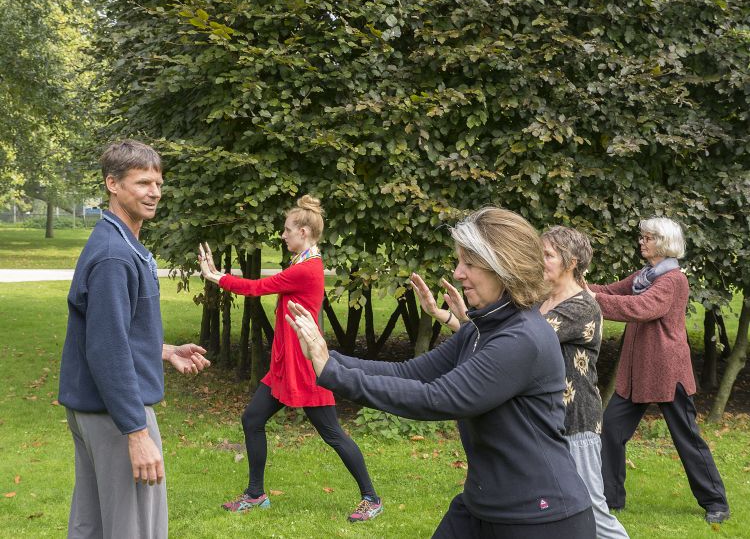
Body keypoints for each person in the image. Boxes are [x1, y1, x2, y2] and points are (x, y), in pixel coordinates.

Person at [286, 207, 596, 538]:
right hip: (481, 506)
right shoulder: (481, 329)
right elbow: (412, 373)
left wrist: (334, 374)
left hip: (540, 519)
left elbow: (438, 398)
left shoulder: (522, 338)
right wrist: (330, 359)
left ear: (505, 268)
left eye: (470, 263)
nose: (458, 273)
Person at [411, 226, 630, 538]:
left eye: (548, 255)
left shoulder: (581, 305)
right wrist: (454, 319)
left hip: (575, 422)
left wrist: (471, 321)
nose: (539, 262)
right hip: (541, 424)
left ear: (570, 263)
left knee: (596, 515)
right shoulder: (539, 302)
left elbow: (513, 345)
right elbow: (498, 344)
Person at [58, 140, 211, 539]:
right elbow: (106, 350)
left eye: (158, 182)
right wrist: (137, 434)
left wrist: (161, 350)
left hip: (98, 410)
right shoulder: (114, 255)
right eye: (143, 182)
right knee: (135, 528)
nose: (154, 192)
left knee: (92, 524)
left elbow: (110, 333)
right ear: (113, 184)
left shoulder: (121, 244)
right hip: (116, 416)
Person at [198, 195, 382, 522]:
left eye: (287, 230)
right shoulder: (302, 262)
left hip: (306, 368)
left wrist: (216, 277)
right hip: (285, 366)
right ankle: (256, 494)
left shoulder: (307, 269)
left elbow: (258, 287)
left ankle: (371, 498)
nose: (282, 236)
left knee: (333, 434)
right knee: (252, 419)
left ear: (304, 232)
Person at [586, 217, 730, 524]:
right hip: (636, 372)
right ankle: (612, 500)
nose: (642, 241)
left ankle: (716, 502)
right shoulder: (645, 275)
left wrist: (592, 299)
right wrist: (576, 286)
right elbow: (612, 290)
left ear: (663, 242)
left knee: (686, 438)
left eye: (648, 238)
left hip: (668, 371)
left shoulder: (672, 280)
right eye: (643, 237)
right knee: (610, 430)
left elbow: (641, 308)